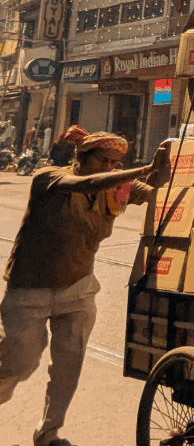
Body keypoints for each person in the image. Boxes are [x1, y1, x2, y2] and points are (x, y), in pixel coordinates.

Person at [0, 128, 168, 446]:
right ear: (81, 157)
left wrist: (176, 161)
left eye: (115, 162)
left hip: (77, 287)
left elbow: (155, 190)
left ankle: (49, 435)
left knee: (68, 365)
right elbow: (87, 183)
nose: (110, 168)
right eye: (103, 160)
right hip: (30, 288)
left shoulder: (118, 185)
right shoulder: (49, 178)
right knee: (18, 362)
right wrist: (144, 169)